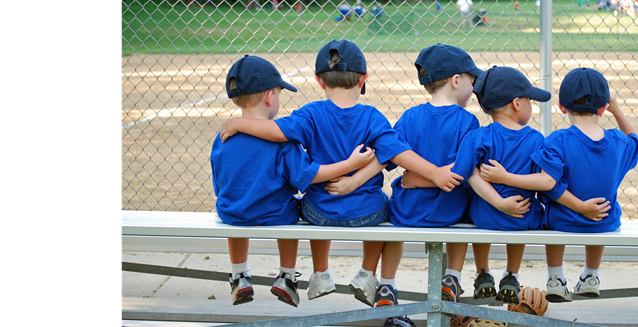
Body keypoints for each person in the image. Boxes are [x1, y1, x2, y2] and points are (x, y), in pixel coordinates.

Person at [219, 40, 464, 307]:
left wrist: (239, 122)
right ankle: (367, 274)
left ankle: (321, 274)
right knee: (386, 204)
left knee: (311, 199)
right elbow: (397, 152)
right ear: (363, 79)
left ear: (319, 81)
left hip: (318, 213)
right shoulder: (372, 116)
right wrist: (435, 173)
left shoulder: (310, 114)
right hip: (366, 214)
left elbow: (277, 131)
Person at [210, 54, 377, 307]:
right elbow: (309, 175)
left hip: (232, 213)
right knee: (292, 207)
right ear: (269, 97)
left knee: (235, 206)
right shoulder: (283, 143)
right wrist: (351, 166)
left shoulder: (223, 136)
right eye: (278, 93)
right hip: (274, 215)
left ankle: (239, 275)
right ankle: (286, 276)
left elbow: (221, 185)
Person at [378, 44, 531, 305]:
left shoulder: (410, 116)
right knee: (466, 209)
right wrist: (434, 178)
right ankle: (452, 277)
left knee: (394, 224)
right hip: (449, 212)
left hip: (407, 211)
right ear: (456, 80)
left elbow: (391, 155)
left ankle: (387, 285)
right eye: (472, 80)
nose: (474, 88)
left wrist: (417, 179)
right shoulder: (467, 121)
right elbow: (461, 172)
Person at [477, 67, 638, 302]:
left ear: (562, 108)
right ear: (603, 108)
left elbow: (550, 186)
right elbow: (635, 141)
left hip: (563, 222)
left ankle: (555, 279)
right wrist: (616, 109)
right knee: (602, 211)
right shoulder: (618, 141)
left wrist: (580, 207)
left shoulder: (557, 141)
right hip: (605, 223)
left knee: (549, 216)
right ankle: (591, 276)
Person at [449, 65, 553, 305]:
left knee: (474, 211)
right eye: (529, 100)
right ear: (517, 104)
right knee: (524, 215)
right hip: (522, 215)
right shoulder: (536, 139)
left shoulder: (478, 136)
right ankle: (511, 276)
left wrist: (497, 202)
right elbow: (544, 181)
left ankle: (483, 273)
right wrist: (508, 197)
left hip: (484, 215)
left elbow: (465, 172)